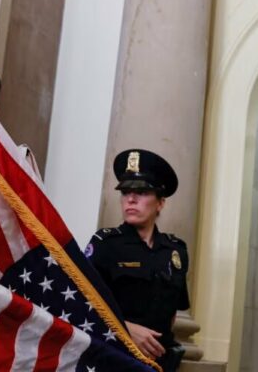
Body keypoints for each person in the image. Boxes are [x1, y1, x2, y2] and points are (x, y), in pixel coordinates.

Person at [85, 149, 189, 371]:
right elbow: (84, 303)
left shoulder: (175, 251)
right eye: (125, 192)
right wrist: (127, 329)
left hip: (160, 364)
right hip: (114, 359)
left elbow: (172, 312)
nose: (130, 199)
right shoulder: (106, 244)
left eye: (141, 192)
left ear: (160, 203)